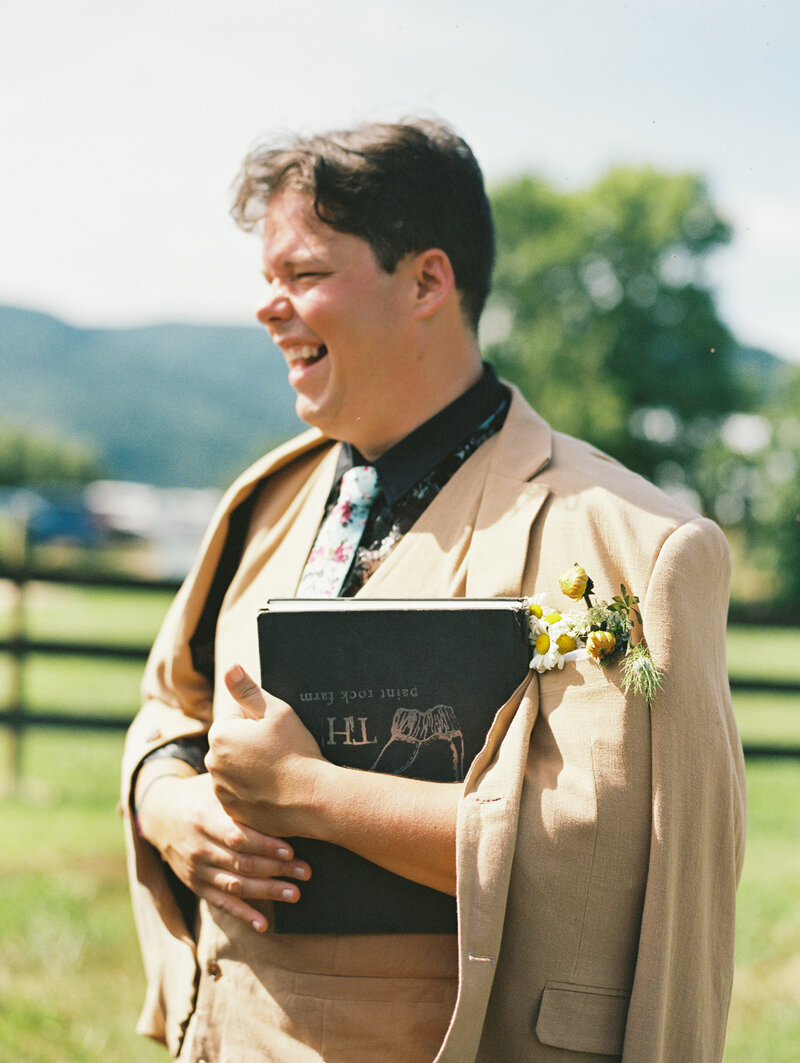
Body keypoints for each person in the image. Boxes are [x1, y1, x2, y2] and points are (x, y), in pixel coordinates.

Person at [122, 118, 746, 1063]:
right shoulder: (263, 502)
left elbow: (608, 850)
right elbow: (171, 706)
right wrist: (170, 807)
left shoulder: (634, 545)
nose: (267, 307)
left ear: (426, 282)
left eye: (304, 273)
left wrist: (309, 792)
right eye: (266, 278)